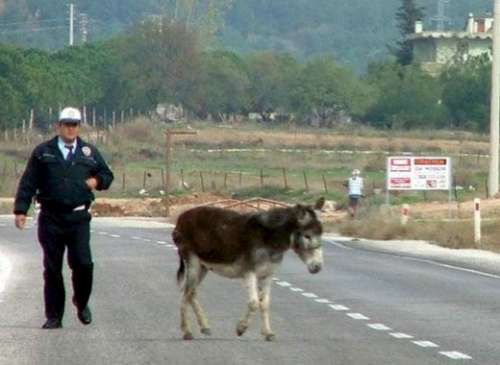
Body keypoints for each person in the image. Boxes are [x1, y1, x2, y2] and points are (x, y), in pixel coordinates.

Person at [13, 107, 114, 329]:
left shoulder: (88, 152)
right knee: (52, 268)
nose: (70, 128)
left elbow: (107, 175)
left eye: (75, 124)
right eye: (67, 124)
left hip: (78, 218)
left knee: (83, 264)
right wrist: (21, 210)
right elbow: (29, 182)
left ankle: (81, 300)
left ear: (79, 127)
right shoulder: (43, 152)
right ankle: (54, 315)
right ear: (59, 126)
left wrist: (96, 181)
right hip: (50, 218)